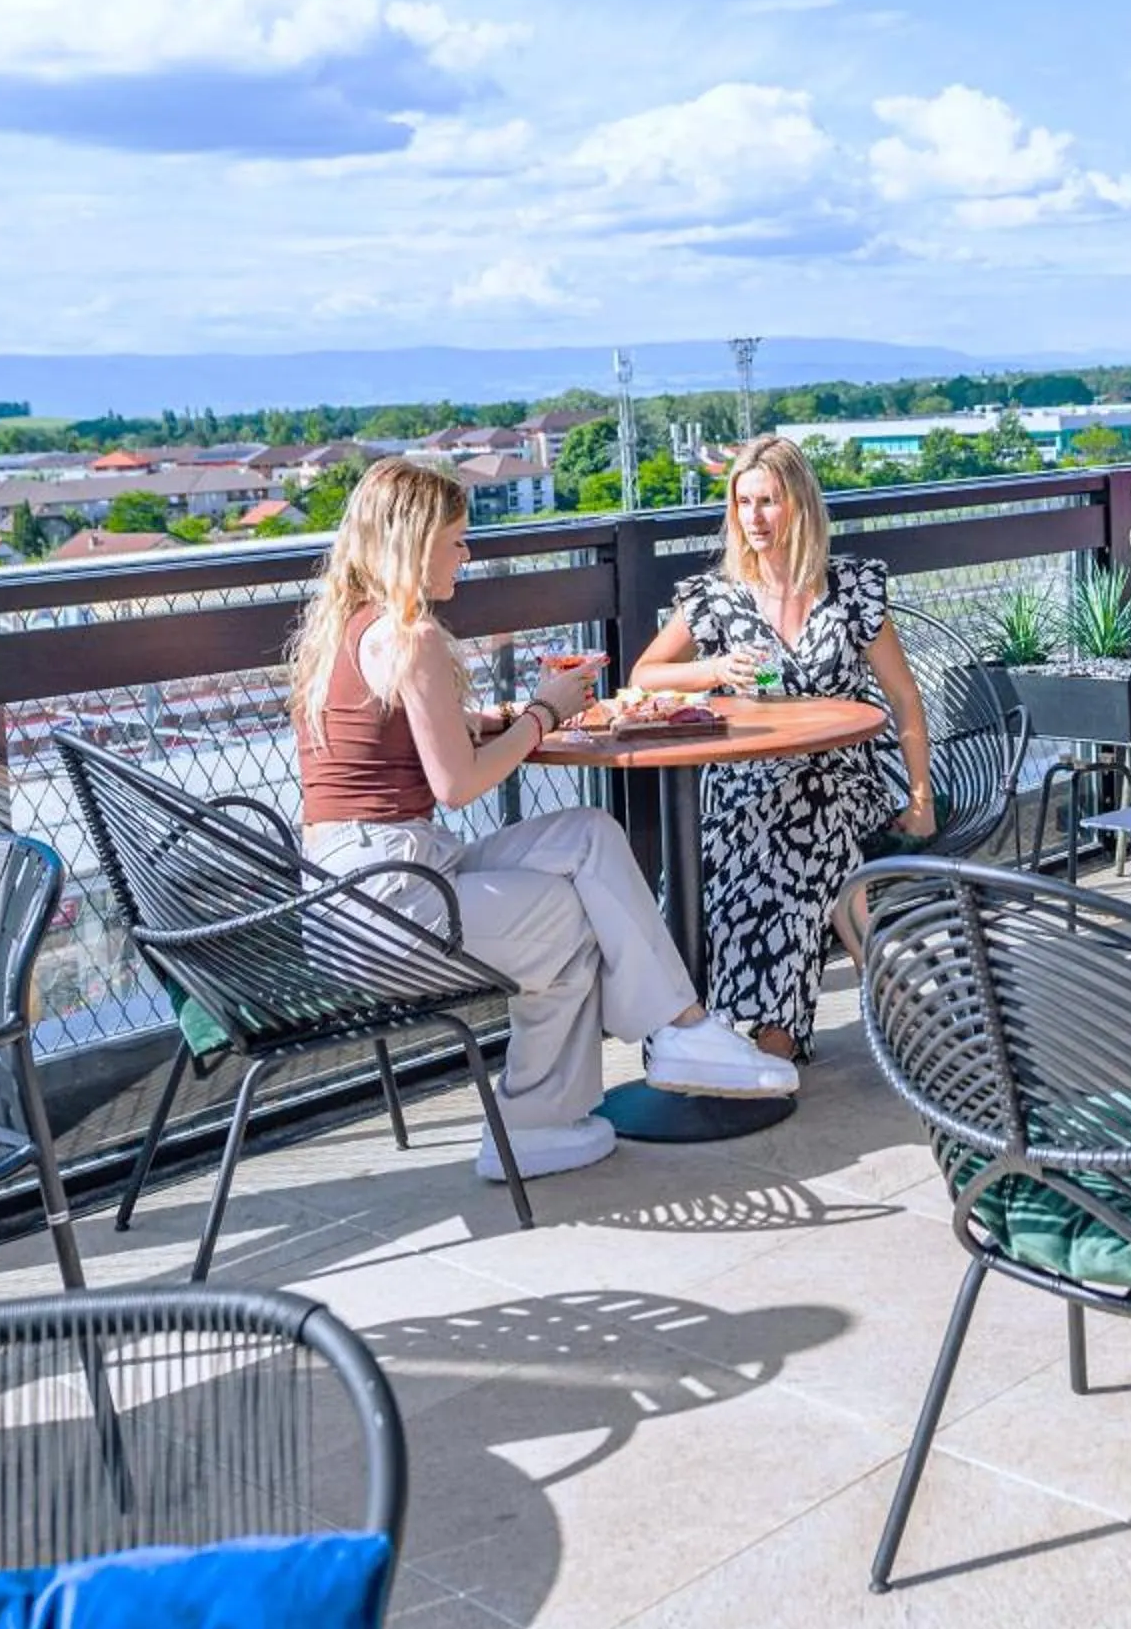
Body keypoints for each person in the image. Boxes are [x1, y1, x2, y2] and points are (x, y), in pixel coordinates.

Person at [293, 458, 795, 1186]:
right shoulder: (411, 637)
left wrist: (502, 716)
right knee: (571, 916)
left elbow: (412, 733)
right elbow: (457, 785)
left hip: (358, 886)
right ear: (415, 542)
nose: (466, 556)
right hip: (389, 898)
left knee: (588, 835)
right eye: (456, 541)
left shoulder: (350, 628)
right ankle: (534, 1124)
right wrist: (542, 714)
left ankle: (680, 1031)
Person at [628, 434, 934, 1064]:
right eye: (743, 503)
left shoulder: (851, 589)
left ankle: (767, 1033)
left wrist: (920, 796)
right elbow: (644, 676)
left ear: (800, 504)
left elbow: (904, 698)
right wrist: (714, 669)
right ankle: (849, 994)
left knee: (806, 811)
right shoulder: (717, 597)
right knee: (766, 844)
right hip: (746, 778)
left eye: (767, 501)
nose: (754, 518)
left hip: (843, 774)